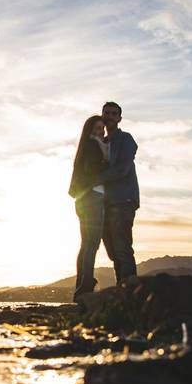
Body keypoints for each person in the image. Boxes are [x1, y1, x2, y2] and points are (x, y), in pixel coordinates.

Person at [95, 101, 139, 285]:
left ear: (119, 118)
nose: (110, 116)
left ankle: (130, 292)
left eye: (114, 113)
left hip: (123, 200)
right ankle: (121, 289)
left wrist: (95, 178)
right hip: (105, 203)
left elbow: (122, 169)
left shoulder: (126, 139)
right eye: (107, 113)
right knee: (113, 251)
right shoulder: (101, 142)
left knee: (122, 248)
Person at [68, 115, 108, 299]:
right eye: (97, 128)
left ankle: (81, 286)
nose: (101, 132)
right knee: (92, 243)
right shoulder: (94, 146)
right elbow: (93, 170)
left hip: (82, 199)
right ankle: (85, 286)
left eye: (102, 129)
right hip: (93, 197)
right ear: (90, 129)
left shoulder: (85, 146)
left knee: (85, 244)